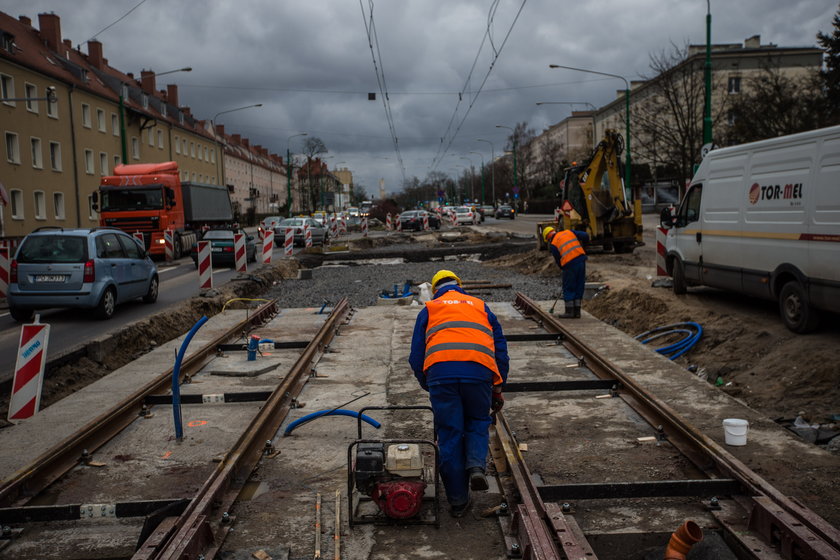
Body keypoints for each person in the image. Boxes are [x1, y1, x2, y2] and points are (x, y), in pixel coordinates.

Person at [409, 269, 509, 517]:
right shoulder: (481, 306)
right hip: (479, 371)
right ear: (460, 286)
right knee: (477, 421)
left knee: (450, 432)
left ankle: (457, 500)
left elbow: (415, 356)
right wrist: (498, 387)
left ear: (435, 289)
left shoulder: (430, 309)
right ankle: (475, 466)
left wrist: (428, 382)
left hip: (441, 374)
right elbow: (501, 351)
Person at [543, 226, 589, 318]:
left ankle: (569, 312)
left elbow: (558, 260)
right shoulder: (568, 232)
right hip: (581, 261)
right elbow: (585, 235)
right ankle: (577, 312)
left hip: (569, 265)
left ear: (548, 238)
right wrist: (584, 248)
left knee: (569, 287)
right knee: (579, 285)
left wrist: (563, 268)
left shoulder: (554, 244)